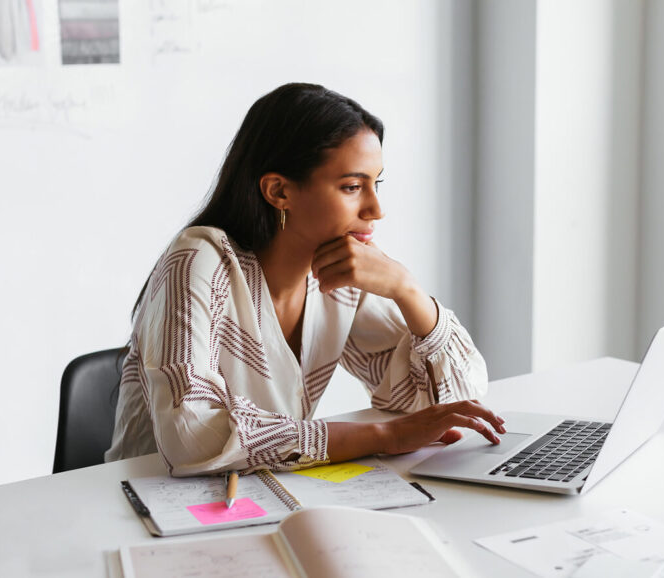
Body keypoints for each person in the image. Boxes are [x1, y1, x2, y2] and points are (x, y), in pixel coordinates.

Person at [105, 83, 505, 476]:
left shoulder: (341, 275)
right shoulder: (199, 260)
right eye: (352, 186)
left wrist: (407, 290)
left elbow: (451, 403)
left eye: (376, 183)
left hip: (264, 495)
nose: (376, 209)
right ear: (279, 191)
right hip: (142, 503)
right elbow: (190, 436)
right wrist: (382, 436)